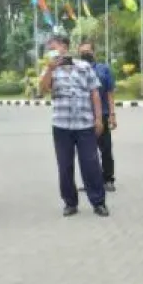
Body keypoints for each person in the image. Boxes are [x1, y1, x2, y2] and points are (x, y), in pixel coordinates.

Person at [39, 34, 108, 217]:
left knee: (91, 163)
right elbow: (43, 89)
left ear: (64, 47)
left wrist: (99, 119)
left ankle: (98, 202)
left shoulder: (84, 67)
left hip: (85, 124)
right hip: (61, 126)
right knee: (65, 165)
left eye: (54, 47)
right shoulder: (50, 68)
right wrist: (49, 70)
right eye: (50, 48)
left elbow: (95, 93)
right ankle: (70, 203)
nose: (52, 51)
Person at [79, 41, 118, 192]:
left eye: (87, 51)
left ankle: (108, 179)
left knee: (106, 149)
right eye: (82, 52)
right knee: (87, 152)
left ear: (94, 52)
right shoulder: (77, 70)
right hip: (83, 117)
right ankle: (91, 182)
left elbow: (109, 93)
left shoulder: (103, 69)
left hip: (103, 114)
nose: (85, 54)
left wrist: (113, 115)